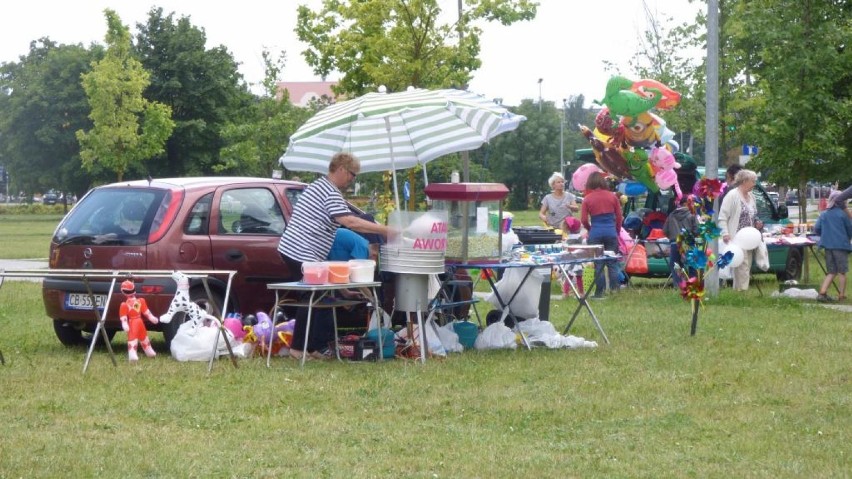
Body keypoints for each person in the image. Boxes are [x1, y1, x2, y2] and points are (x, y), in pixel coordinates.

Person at [277, 152, 392, 359]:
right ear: (340, 169)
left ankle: (313, 347)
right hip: (299, 251)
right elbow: (351, 221)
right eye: (352, 174)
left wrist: (345, 292)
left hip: (302, 252)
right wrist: (386, 230)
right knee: (312, 295)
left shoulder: (320, 187)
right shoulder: (329, 192)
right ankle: (298, 349)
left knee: (319, 295)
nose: (352, 179)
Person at [717, 169, 764, 291]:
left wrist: (757, 223)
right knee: (742, 266)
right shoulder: (732, 195)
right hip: (736, 238)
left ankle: (740, 290)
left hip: (749, 238)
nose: (754, 184)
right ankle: (741, 291)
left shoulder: (752, 196)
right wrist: (725, 233)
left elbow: (753, 215)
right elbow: (722, 217)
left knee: (746, 266)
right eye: (753, 181)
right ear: (744, 181)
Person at [580, 172, 623, 299]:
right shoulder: (612, 197)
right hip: (611, 231)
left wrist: (590, 229)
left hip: (595, 233)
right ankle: (615, 291)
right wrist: (617, 230)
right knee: (612, 263)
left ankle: (600, 292)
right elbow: (619, 217)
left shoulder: (587, 199)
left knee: (598, 264)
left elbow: (583, 219)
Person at [813, 190, 852, 302]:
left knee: (831, 271)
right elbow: (850, 229)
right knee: (842, 272)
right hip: (841, 245)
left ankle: (822, 292)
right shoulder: (843, 214)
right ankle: (841, 295)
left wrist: (825, 235)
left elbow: (817, 229)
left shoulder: (824, 214)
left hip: (828, 246)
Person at [118, 279, 159, 362]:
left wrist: (152, 318)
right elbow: (124, 317)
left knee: (144, 337)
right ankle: (132, 354)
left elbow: (146, 312)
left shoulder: (140, 301)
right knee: (133, 338)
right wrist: (125, 324)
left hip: (139, 321)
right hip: (133, 322)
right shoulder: (125, 305)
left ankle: (149, 351)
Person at [663, 195, 698, 287]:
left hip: (675, 243)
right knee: (692, 265)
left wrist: (672, 237)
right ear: (686, 204)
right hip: (688, 243)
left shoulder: (671, 215)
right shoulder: (692, 215)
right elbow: (696, 230)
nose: (693, 205)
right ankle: (692, 285)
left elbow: (665, 230)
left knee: (675, 265)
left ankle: (679, 286)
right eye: (692, 203)